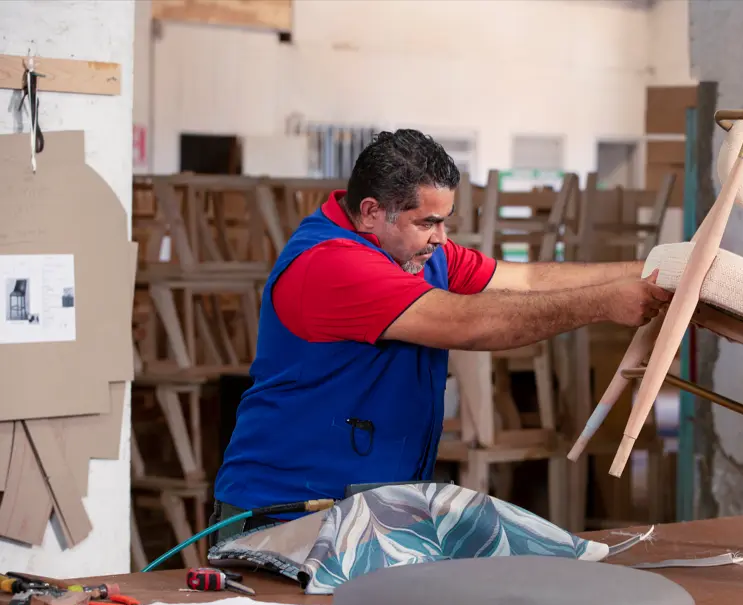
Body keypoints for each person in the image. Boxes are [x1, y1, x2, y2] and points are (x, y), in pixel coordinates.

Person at [210, 129, 671, 539]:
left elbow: (529, 281)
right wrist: (604, 303)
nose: (441, 237)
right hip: (286, 515)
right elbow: (469, 324)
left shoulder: (425, 255)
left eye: (444, 220)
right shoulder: (331, 264)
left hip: (373, 507)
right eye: (427, 222)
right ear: (371, 212)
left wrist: (659, 272)